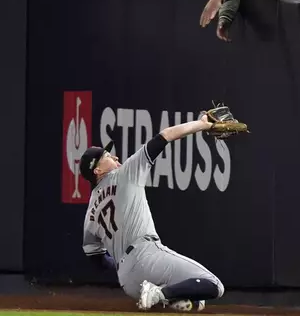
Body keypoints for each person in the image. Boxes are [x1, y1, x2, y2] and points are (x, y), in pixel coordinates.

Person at [79, 114, 224, 311]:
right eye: (106, 156)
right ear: (96, 171)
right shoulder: (125, 173)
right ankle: (159, 293)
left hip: (128, 281)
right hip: (147, 255)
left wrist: (124, 265)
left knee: (196, 301)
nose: (114, 157)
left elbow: (96, 258)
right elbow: (164, 136)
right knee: (214, 286)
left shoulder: (90, 214)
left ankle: (161, 294)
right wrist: (201, 124)